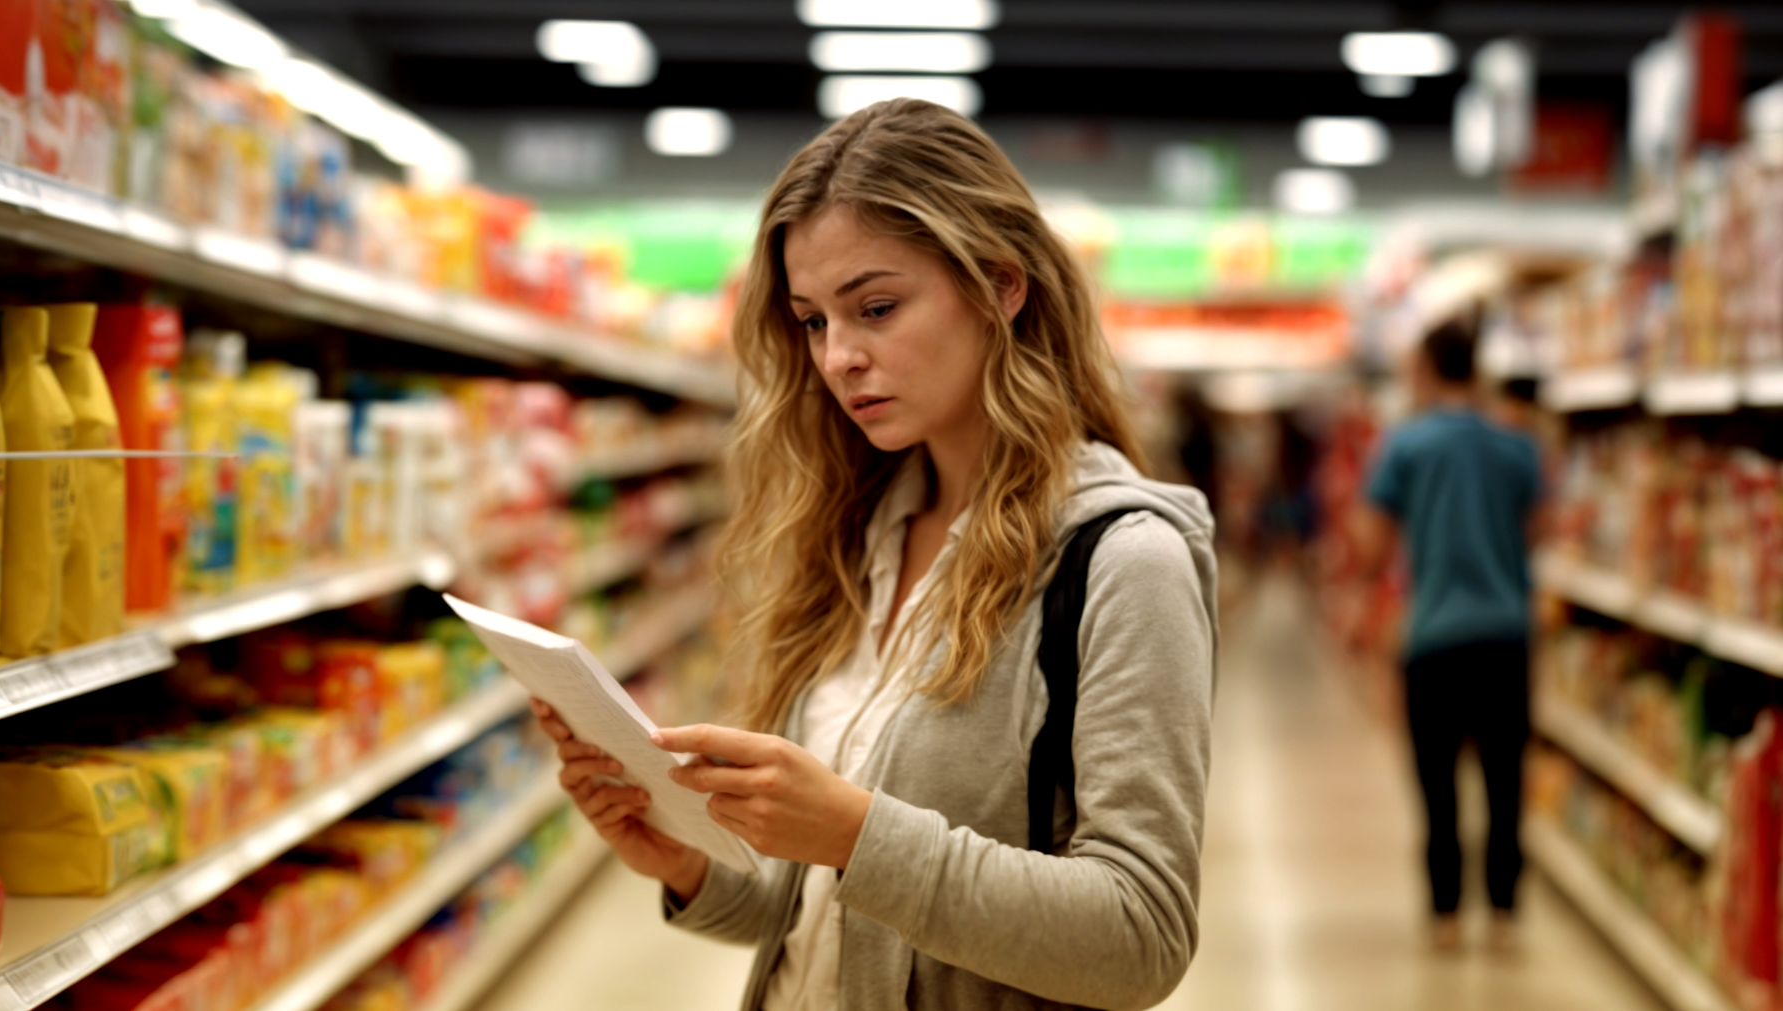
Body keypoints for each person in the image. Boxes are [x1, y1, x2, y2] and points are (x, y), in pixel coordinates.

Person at [530, 99, 1219, 1011]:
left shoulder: (1125, 559)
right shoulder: (862, 532)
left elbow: (1142, 936)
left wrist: (858, 831)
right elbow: (847, 914)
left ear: (1001, 286)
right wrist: (691, 864)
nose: (839, 356)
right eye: (813, 321)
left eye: (878, 307)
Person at [1364, 319, 1541, 950]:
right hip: (1505, 632)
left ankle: (1444, 916)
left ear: (1428, 369)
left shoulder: (1406, 446)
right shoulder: (1517, 446)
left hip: (1433, 633)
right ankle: (1504, 914)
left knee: (1436, 781)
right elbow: (1537, 532)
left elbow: (1376, 544)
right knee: (1504, 779)